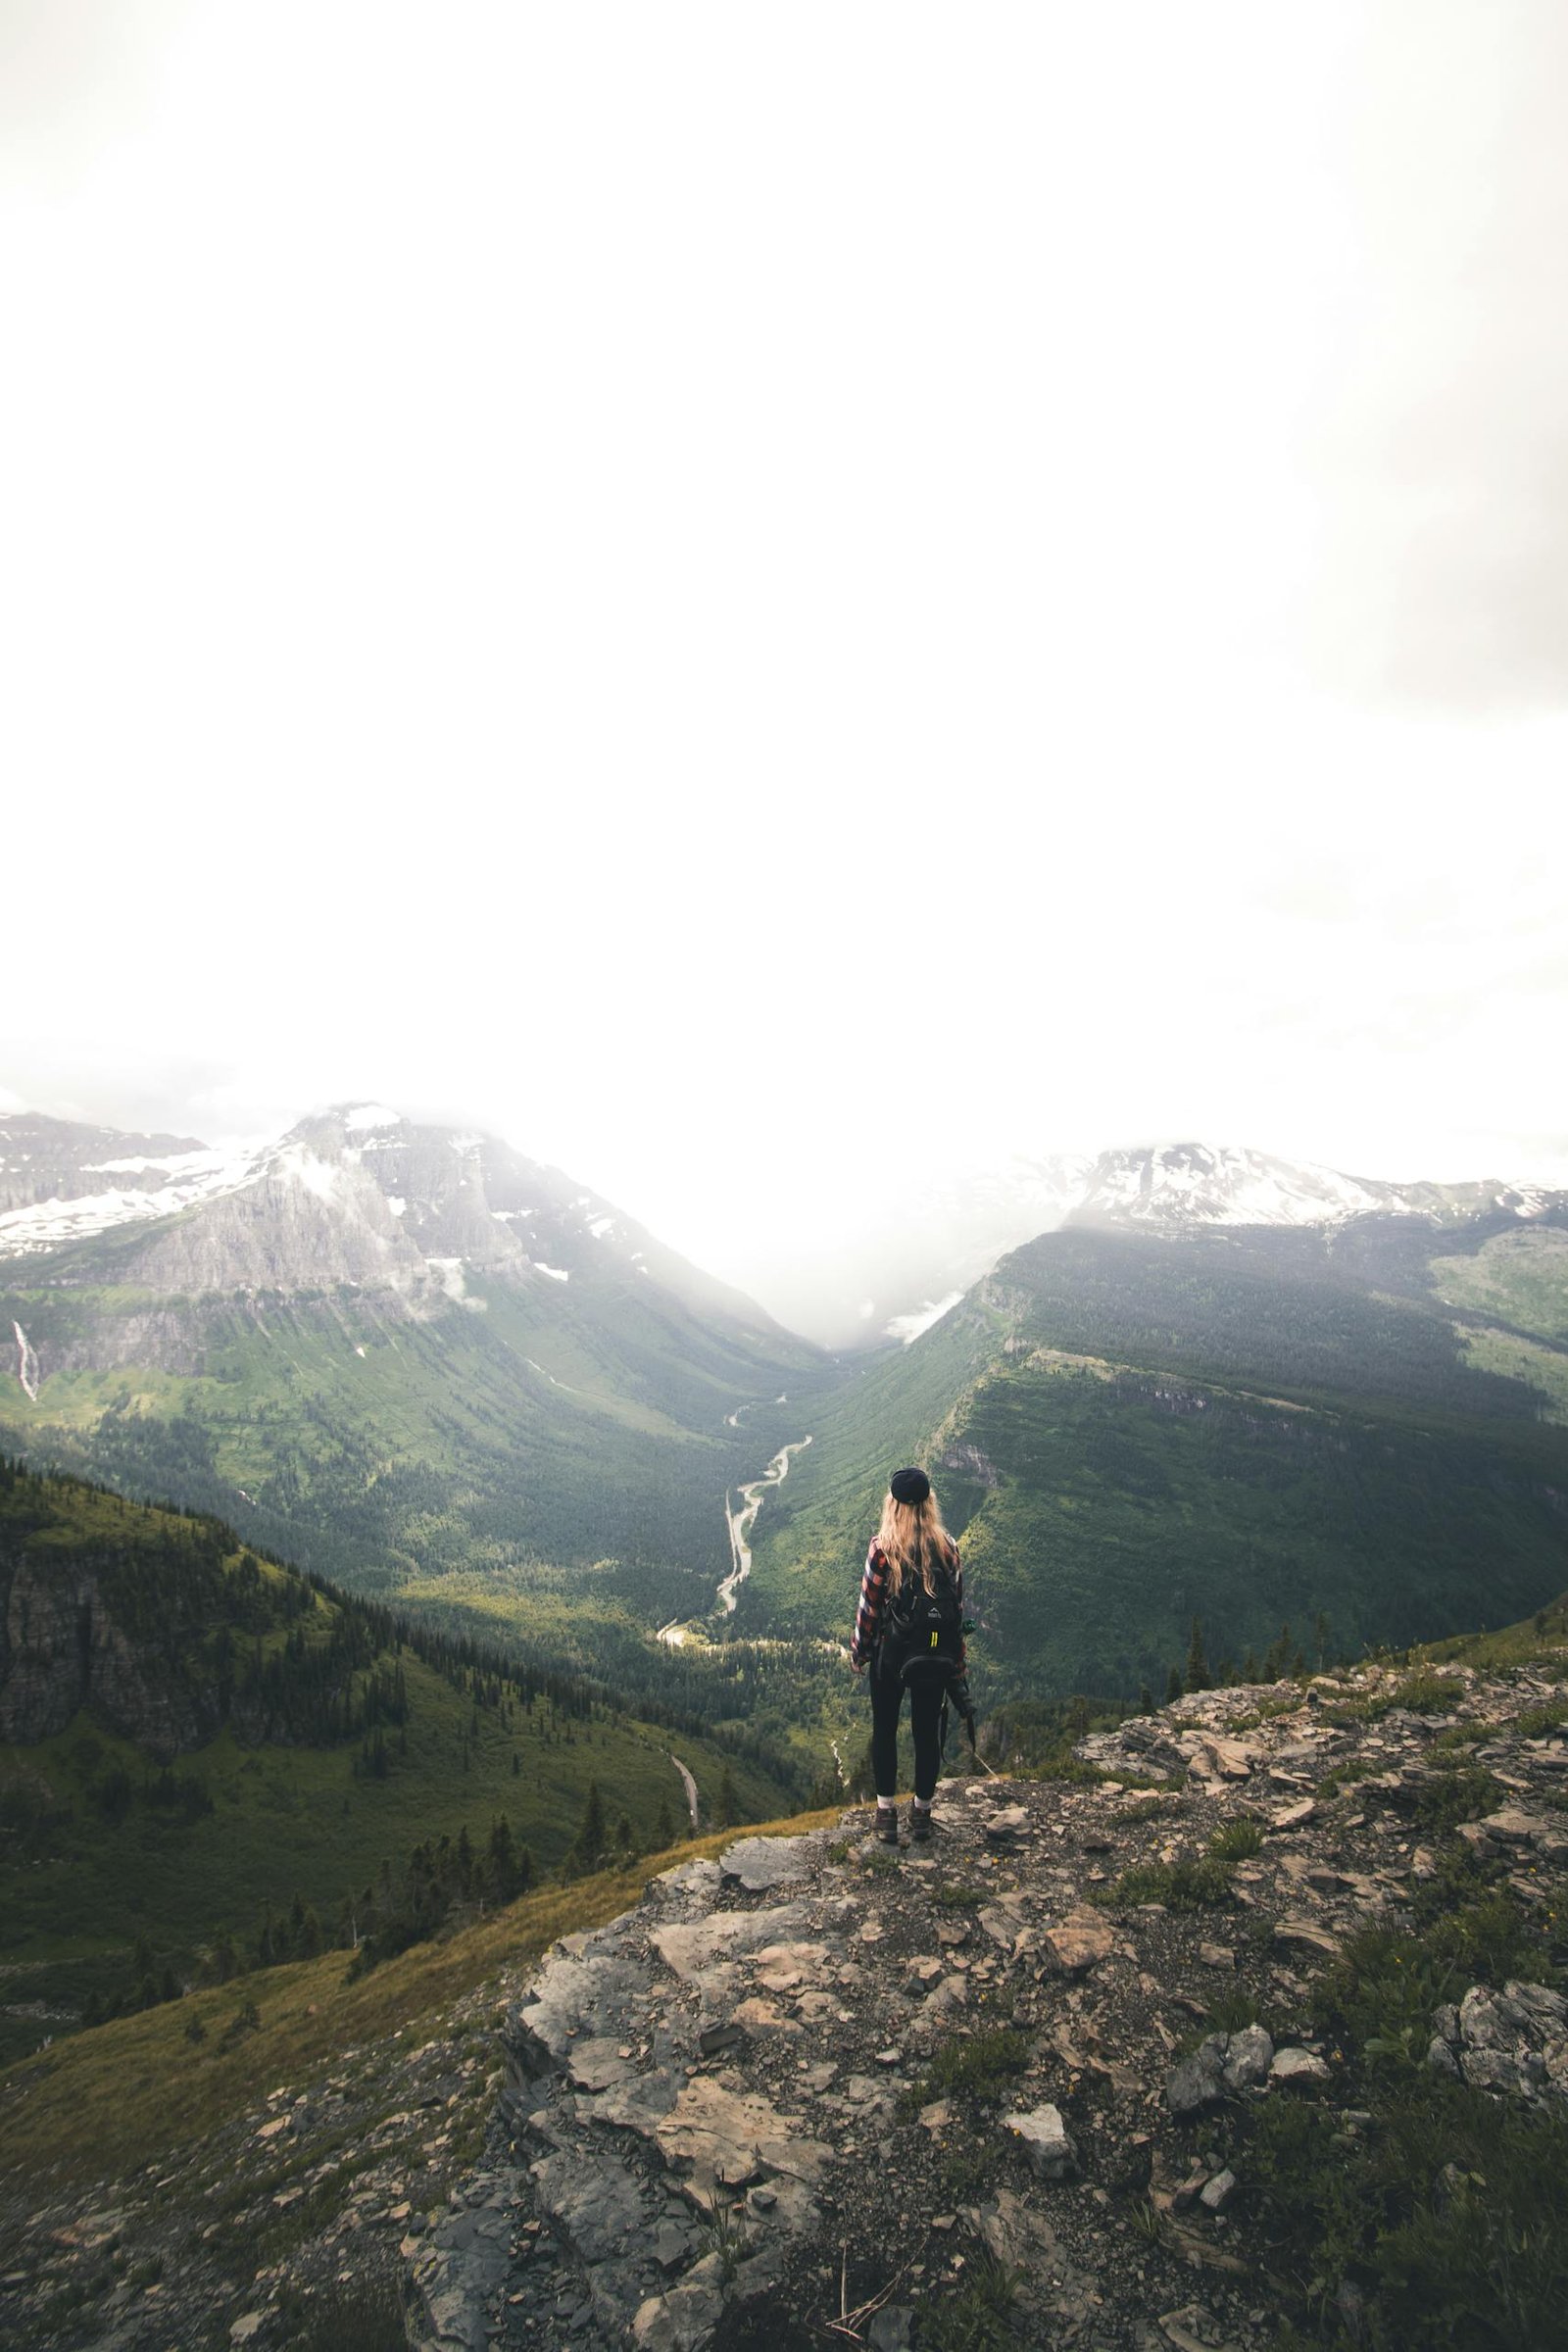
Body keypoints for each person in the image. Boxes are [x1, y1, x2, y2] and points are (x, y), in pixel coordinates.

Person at [849, 1464, 964, 1844]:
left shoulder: (882, 1550)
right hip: (933, 1657)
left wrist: (860, 1654)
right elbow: (956, 1614)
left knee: (885, 1729)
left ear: (893, 1506)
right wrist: (957, 1665)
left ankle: (885, 1815)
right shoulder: (949, 1549)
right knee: (926, 1732)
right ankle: (922, 1813)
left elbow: (869, 1611)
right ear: (929, 1505)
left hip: (890, 1657)